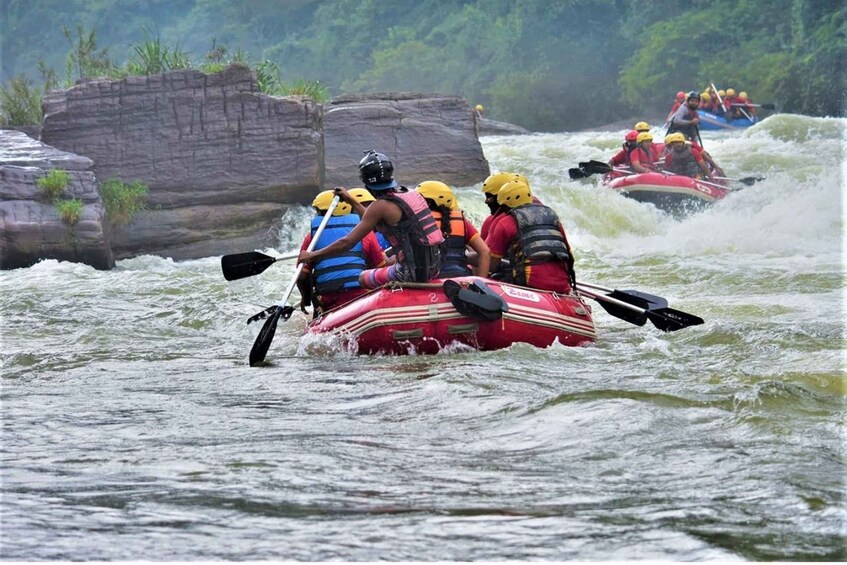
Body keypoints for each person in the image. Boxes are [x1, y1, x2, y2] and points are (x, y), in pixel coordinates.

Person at [298, 150, 444, 289]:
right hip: (434, 268)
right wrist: (351, 200)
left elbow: (346, 243)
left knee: (363, 278)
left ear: (366, 181)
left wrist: (311, 255)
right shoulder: (411, 194)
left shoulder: (380, 206)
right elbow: (375, 220)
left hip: (408, 273)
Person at [296, 190, 387, 315]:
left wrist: (307, 299)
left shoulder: (312, 238)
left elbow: (302, 276)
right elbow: (380, 268)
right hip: (361, 296)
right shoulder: (365, 233)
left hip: (328, 298)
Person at [485, 179, 576, 294]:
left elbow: (491, 263)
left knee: (498, 275)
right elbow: (569, 254)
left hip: (531, 284)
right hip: (562, 284)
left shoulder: (504, 222)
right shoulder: (552, 216)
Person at [416, 180, 491, 277]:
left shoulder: (416, 221)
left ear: (428, 202)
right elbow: (485, 252)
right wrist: (481, 284)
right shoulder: (461, 220)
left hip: (428, 279)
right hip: (461, 276)